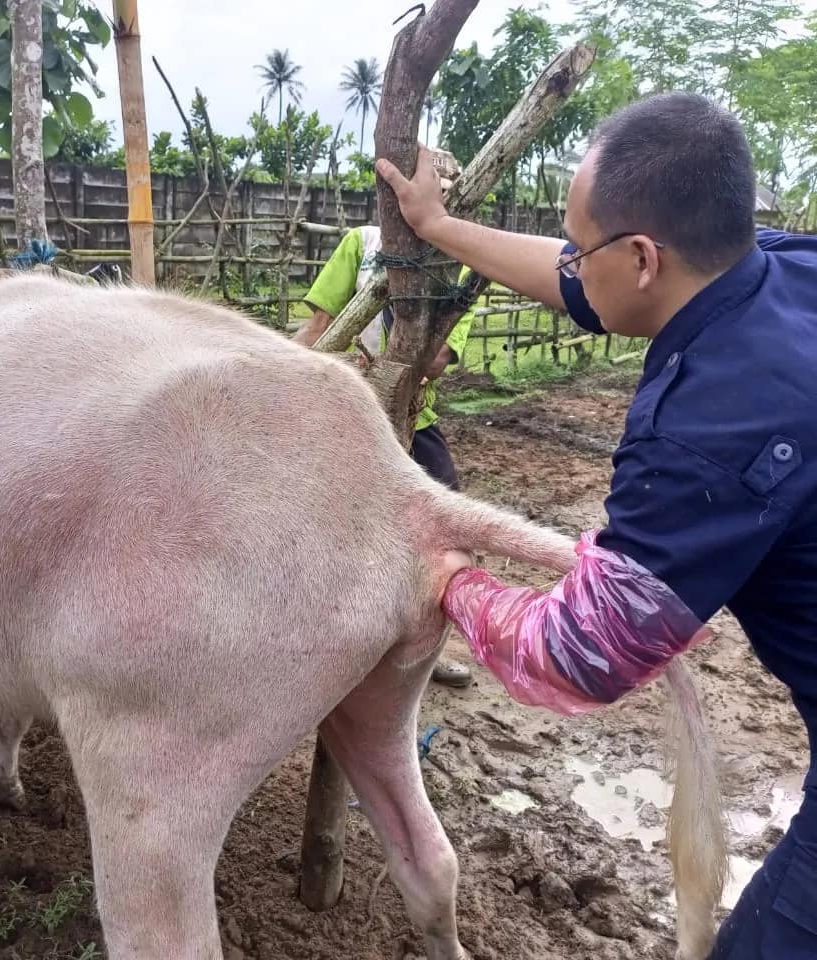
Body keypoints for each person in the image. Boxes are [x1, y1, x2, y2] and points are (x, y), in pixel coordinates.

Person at [378, 93, 817, 959]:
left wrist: (445, 575)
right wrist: (436, 224)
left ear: (645, 257)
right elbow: (579, 283)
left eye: (583, 245)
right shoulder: (778, 270)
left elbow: (582, 656)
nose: (572, 264)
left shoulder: (703, 431)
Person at [293, 164, 477, 688]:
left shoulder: (460, 267)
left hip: (416, 416)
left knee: (444, 531)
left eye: (444, 195)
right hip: (345, 409)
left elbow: (438, 357)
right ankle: (319, 641)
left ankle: (420, 649)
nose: (428, 201)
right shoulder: (362, 243)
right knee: (325, 523)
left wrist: (408, 304)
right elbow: (321, 328)